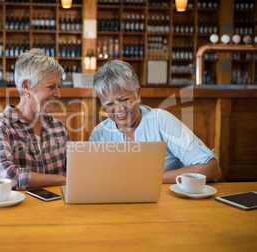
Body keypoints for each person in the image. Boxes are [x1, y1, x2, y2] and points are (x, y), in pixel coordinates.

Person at [90, 60, 221, 183]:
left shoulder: (161, 120)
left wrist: (150, 179)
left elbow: (211, 169)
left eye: (124, 99)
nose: (119, 109)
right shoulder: (99, 133)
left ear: (138, 93)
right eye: (109, 103)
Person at [0, 49, 69, 190]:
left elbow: (73, 172)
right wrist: (62, 180)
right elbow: (7, 178)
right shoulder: (0, 125)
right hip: (21, 209)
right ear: (26, 87)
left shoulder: (59, 126)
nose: (58, 94)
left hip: (59, 209)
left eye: (58, 86)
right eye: (51, 87)